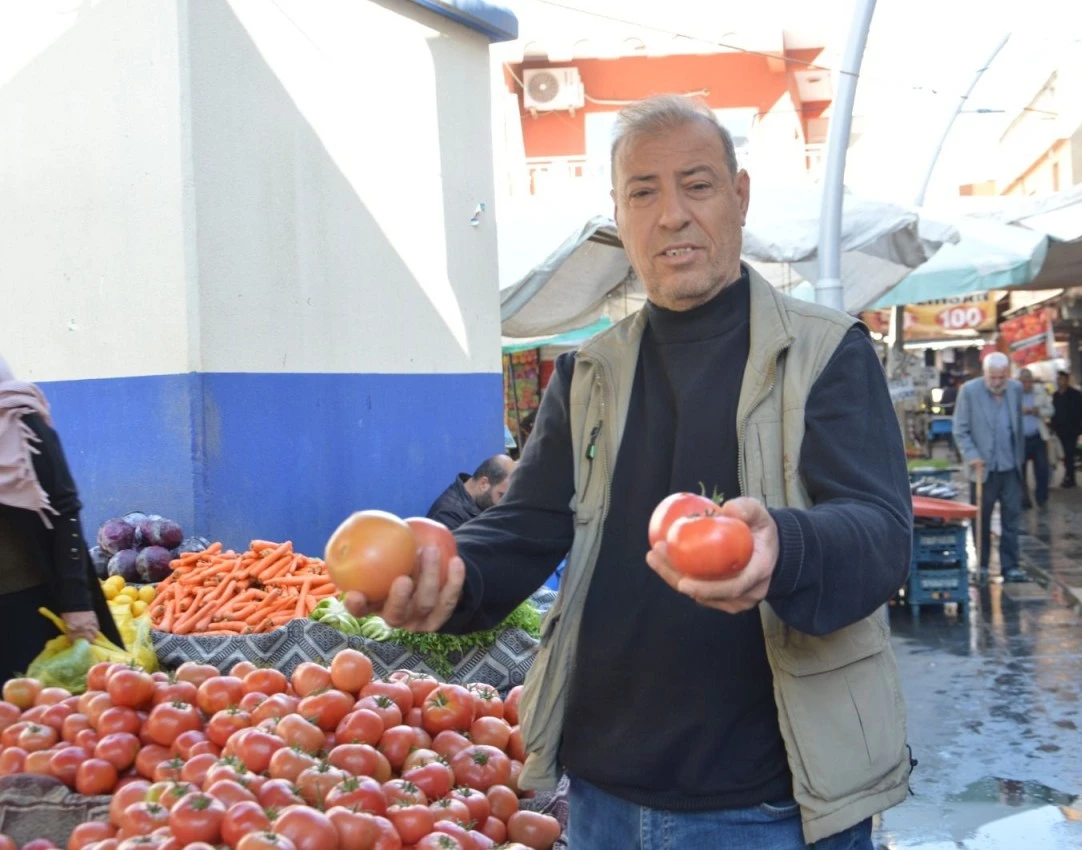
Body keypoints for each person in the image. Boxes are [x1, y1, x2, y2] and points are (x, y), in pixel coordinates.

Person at [348, 95, 913, 849]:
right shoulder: (588, 372)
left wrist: (783, 544)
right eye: (643, 191)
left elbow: (880, 535)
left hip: (774, 804)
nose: (671, 214)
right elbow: (522, 530)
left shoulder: (824, 352)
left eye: (698, 185)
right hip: (606, 795)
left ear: (739, 198)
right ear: (618, 213)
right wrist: (445, 577)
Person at [0, 355, 122, 677]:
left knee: (27, 708)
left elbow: (65, 509)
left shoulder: (23, 423)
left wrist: (76, 602)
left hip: (23, 600)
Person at [953, 352, 1028, 584]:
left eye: (1001, 378)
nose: (997, 383)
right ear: (984, 374)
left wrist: (1020, 458)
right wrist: (972, 456)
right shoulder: (969, 391)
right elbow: (960, 429)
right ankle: (983, 565)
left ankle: (1010, 565)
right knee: (981, 518)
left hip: (1009, 466)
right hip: (982, 469)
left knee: (1011, 518)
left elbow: (1017, 425)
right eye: (993, 378)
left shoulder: (1015, 389)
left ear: (1008, 375)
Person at [425, 454, 515, 530]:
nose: (505, 504)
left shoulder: (482, 504)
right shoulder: (447, 516)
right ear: (483, 484)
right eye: (501, 496)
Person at [1017, 369, 1053, 509]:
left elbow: (1051, 410)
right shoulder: (1014, 394)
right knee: (1021, 470)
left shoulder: (1039, 392)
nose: (1026, 384)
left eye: (1028, 381)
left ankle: (1041, 498)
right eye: (1023, 382)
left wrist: (1037, 411)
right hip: (1021, 438)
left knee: (1042, 468)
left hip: (1037, 436)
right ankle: (1024, 499)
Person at [1051, 372, 1082, 489]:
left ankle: (1070, 477)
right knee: (1063, 454)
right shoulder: (1056, 396)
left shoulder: (1075, 395)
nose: (1060, 382)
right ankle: (1068, 476)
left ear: (1067, 380)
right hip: (1059, 429)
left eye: (1062, 379)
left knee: (1069, 453)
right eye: (1058, 379)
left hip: (1072, 428)